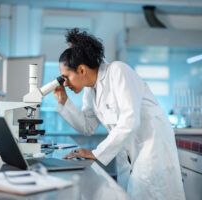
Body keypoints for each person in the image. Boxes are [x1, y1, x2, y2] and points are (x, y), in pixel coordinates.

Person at [54, 28, 185, 200]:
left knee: (153, 194)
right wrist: (64, 102)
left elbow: (130, 121)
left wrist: (96, 152)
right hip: (129, 156)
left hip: (151, 150)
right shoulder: (90, 89)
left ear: (82, 70)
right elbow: (87, 127)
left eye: (66, 76)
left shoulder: (118, 71)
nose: (65, 83)